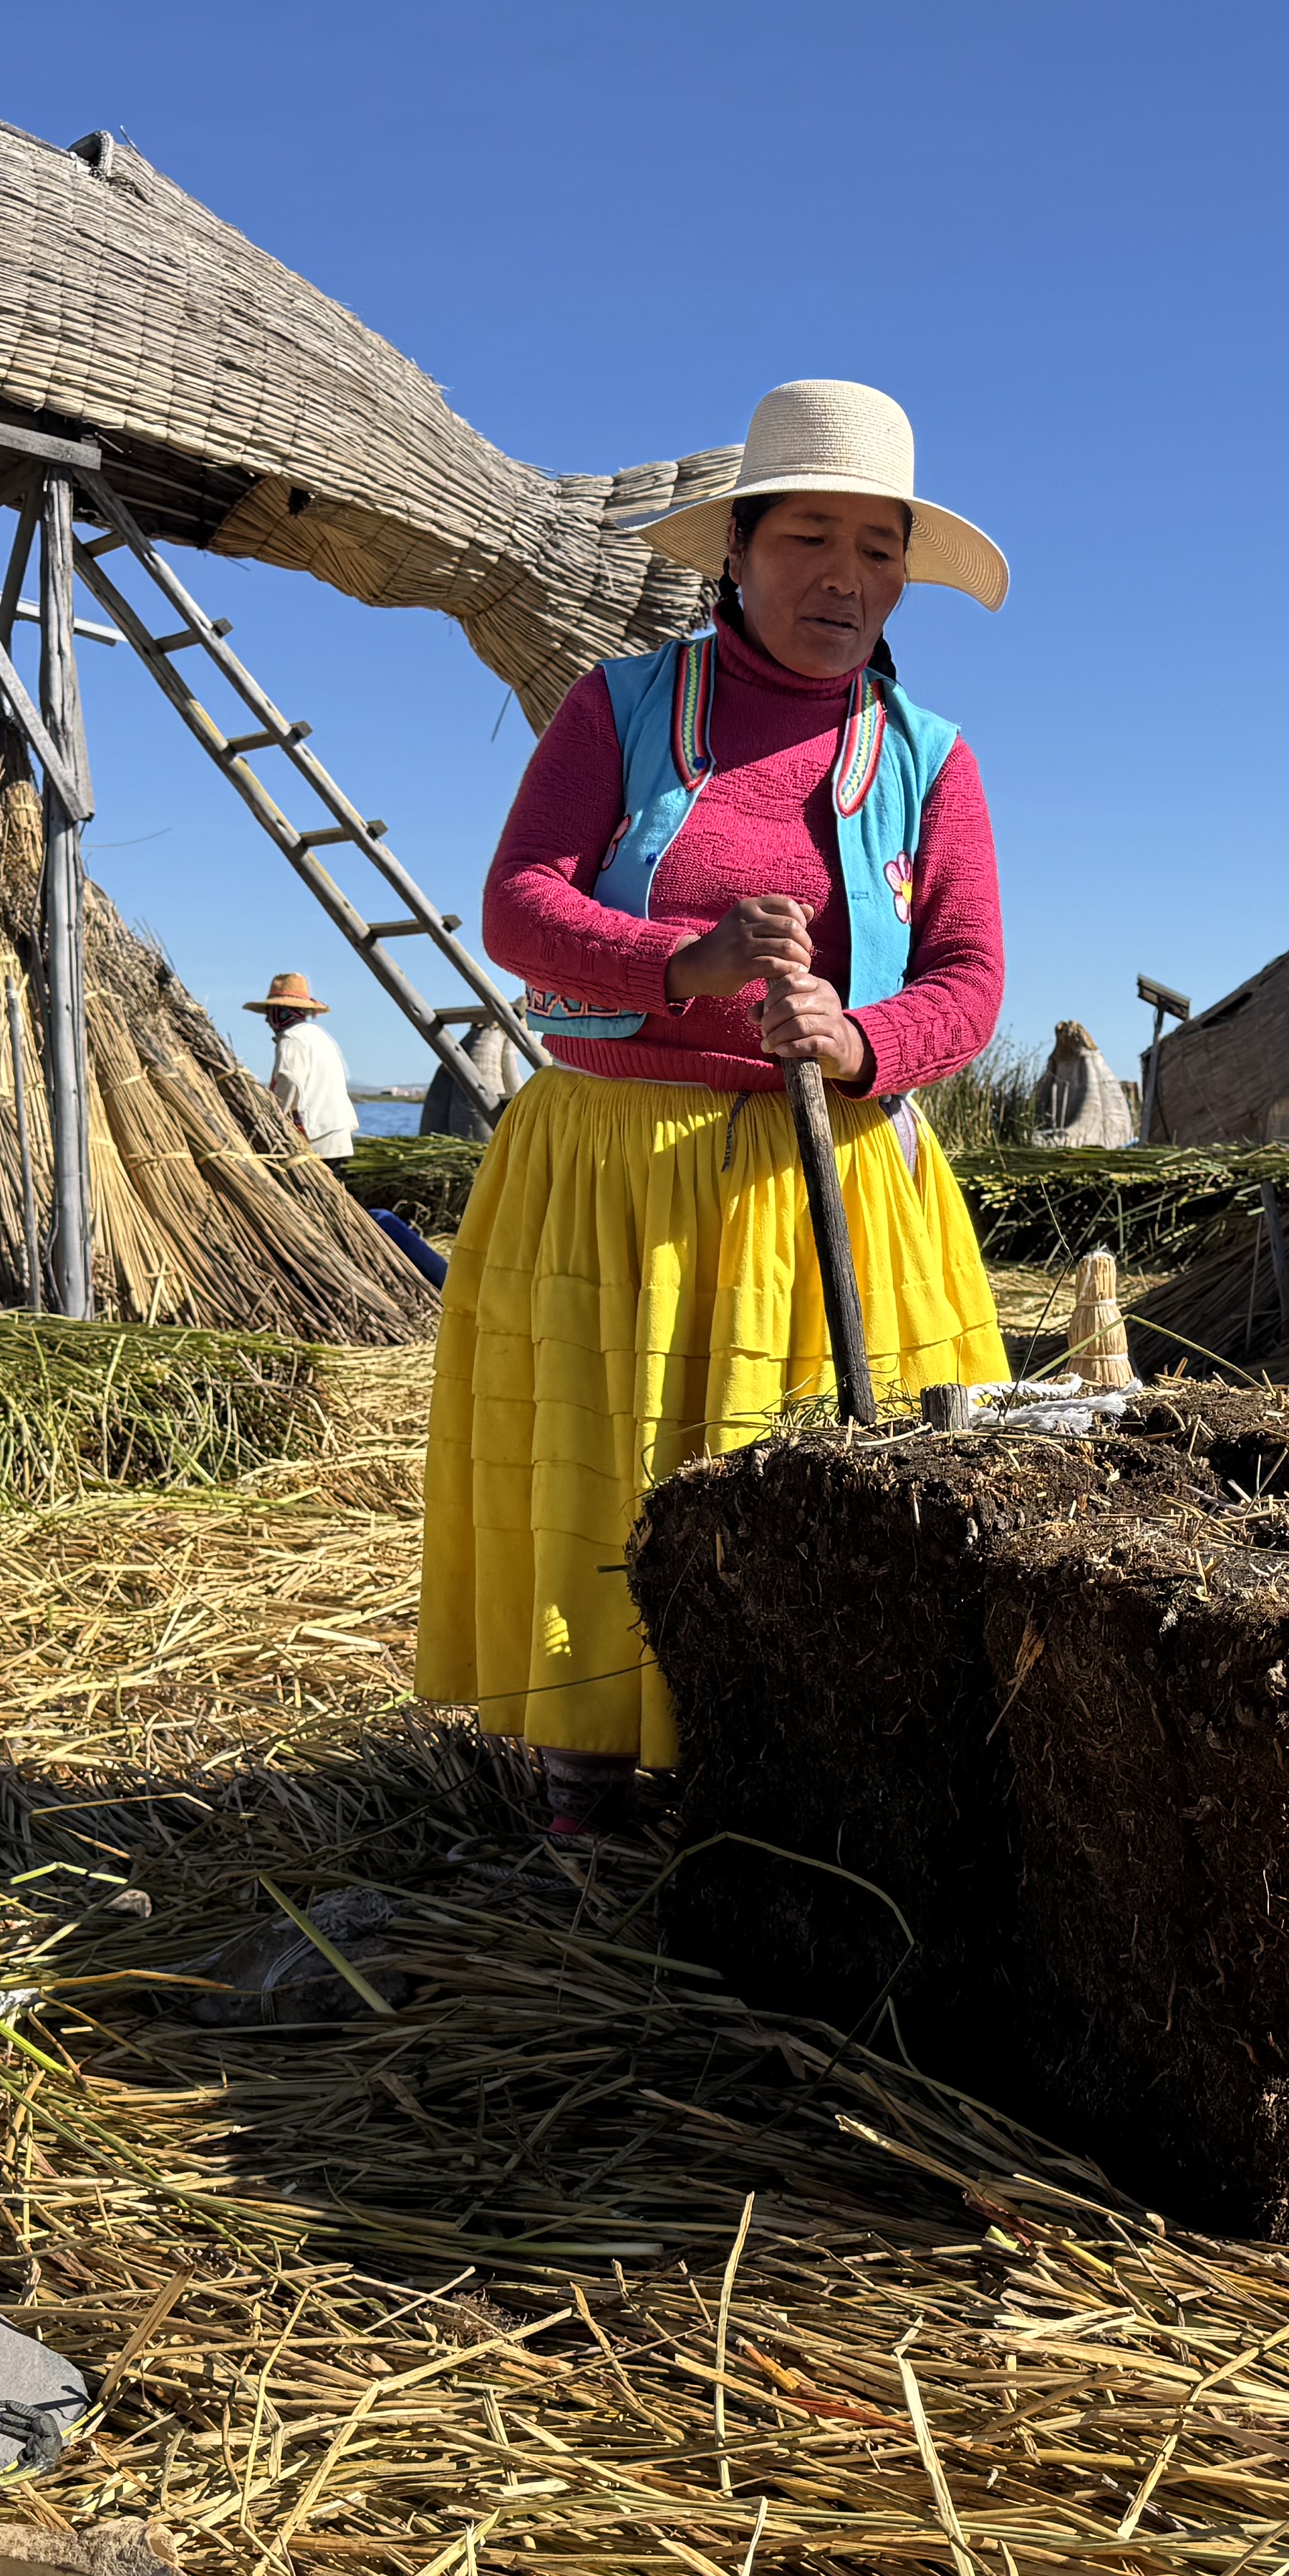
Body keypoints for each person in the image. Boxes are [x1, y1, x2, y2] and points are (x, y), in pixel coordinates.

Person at [417, 379, 1015, 1831]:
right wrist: (682, 963)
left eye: (877, 548)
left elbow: (971, 977)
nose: (844, 577)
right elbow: (518, 903)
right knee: (607, 1468)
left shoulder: (928, 758)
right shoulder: (622, 711)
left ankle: (790, 1782)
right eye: (809, 538)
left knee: (823, 1490)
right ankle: (588, 1780)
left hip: (834, 1186)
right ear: (737, 553)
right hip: (617, 1176)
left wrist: (860, 1039)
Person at [250, 972, 353, 1159]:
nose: (267, 1021)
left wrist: (273, 1117)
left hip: (317, 1139)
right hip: (337, 1133)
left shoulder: (292, 1040)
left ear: (281, 1013)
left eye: (270, 1013)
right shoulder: (316, 1035)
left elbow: (289, 1083)